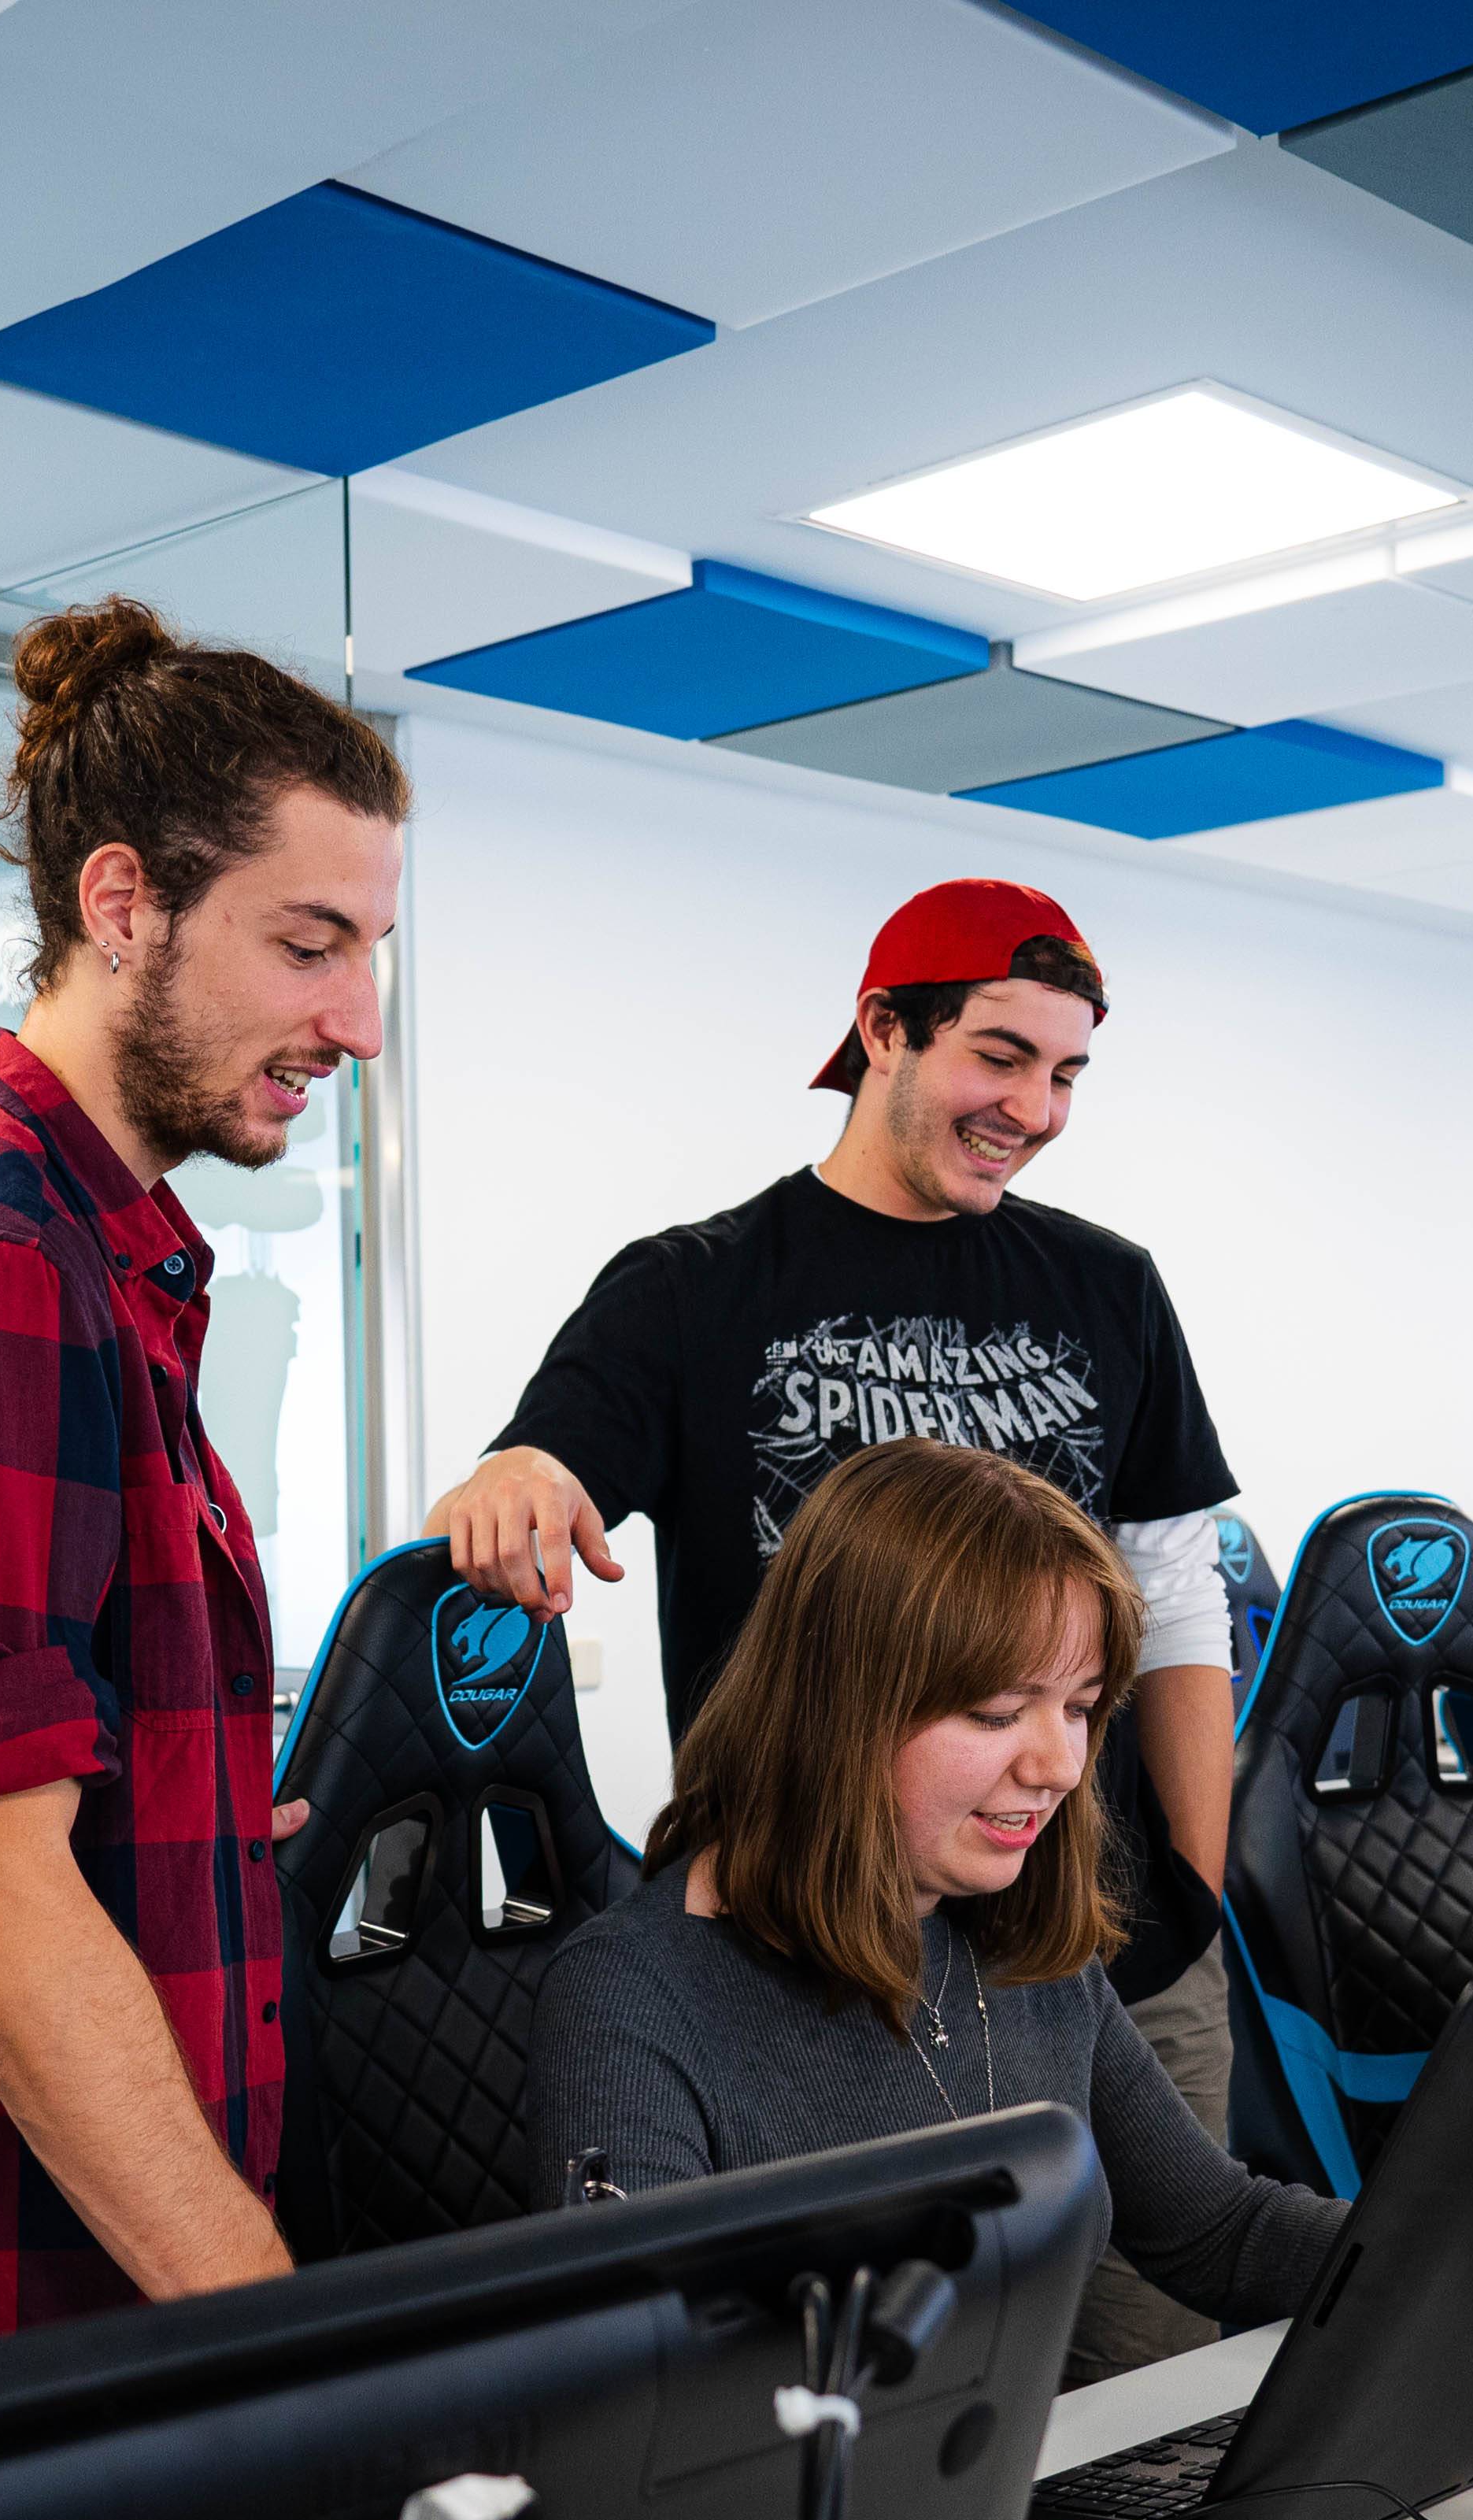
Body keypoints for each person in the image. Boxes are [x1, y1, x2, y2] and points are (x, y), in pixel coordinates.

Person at [433, 878, 1248, 2379]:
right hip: (806, 1958)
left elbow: (1180, 1605)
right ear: (882, 1031)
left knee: (1157, 2375)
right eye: (999, 1057)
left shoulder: (1108, 1287)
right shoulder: (698, 1286)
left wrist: (1192, 1885)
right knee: (850, 2376)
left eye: (1067, 1074)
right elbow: (549, 1469)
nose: (1037, 1108)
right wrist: (517, 1470)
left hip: (1074, 1937)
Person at [0, 598, 405, 2367]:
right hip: (8, 2304)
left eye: (370, 949)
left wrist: (185, 1818)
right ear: (124, 905)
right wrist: (269, 2343)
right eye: (308, 942)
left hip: (85, 2277)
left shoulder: (102, 1256)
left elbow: (16, 1785)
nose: (354, 1018)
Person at [524, 1441, 1342, 2520]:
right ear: (841, 1701)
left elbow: (1216, 2227)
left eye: (1078, 1707)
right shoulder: (631, 2000)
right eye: (995, 1711)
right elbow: (656, 2431)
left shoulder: (1010, 1938)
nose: (1058, 1765)